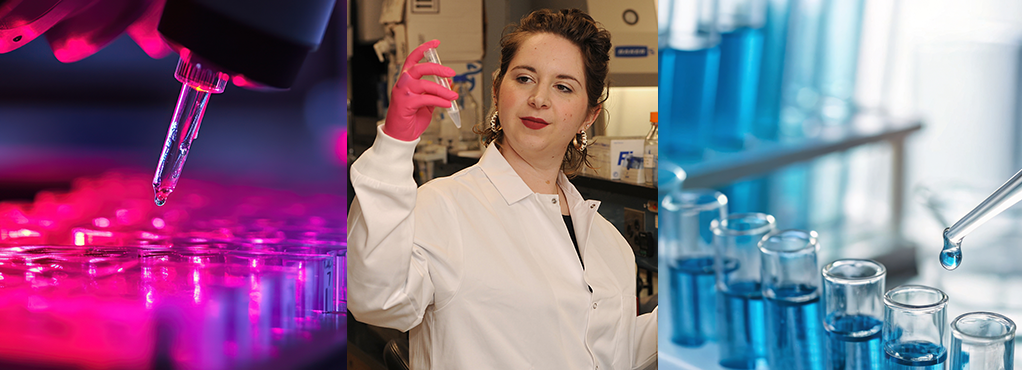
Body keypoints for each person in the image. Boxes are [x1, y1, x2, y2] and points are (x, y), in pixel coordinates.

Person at [348, 8, 657, 370]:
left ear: (589, 114)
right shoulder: (444, 207)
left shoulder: (609, 243)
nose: (539, 98)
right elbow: (373, 297)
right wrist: (395, 144)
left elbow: (611, 352)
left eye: (563, 86)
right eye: (524, 78)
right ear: (497, 91)